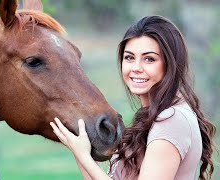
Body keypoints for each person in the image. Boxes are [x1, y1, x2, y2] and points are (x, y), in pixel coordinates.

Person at [50, 15, 216, 180]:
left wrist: (84, 156)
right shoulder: (155, 116)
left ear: (170, 64)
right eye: (129, 57)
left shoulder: (172, 120)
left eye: (149, 59)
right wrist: (80, 151)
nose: (136, 68)